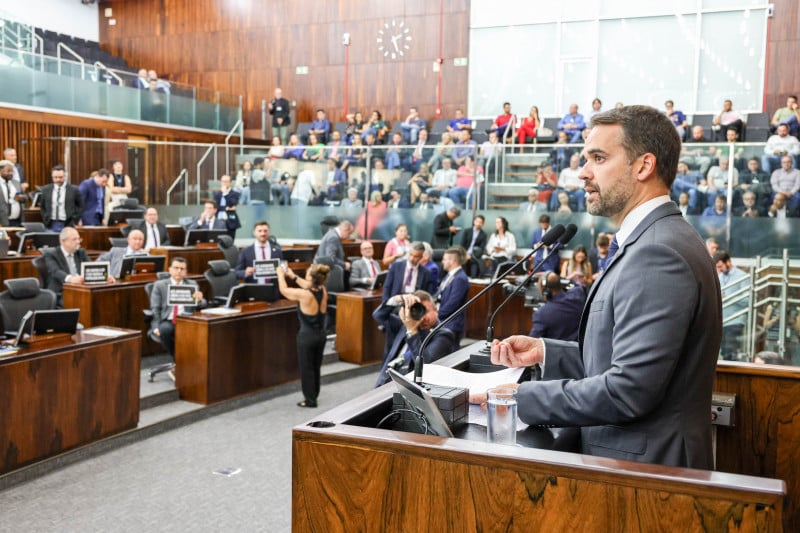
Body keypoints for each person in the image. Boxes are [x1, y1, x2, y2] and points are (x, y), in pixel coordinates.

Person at [477, 105, 722, 469]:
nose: (583, 172)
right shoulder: (654, 239)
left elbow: (629, 390)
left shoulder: (657, 253)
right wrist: (545, 352)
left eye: (599, 158)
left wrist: (520, 397)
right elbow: (628, 360)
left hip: (648, 474)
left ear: (643, 166)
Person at [276, 263, 329, 408]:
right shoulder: (323, 289)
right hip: (321, 335)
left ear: (311, 277)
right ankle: (314, 394)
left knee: (307, 369)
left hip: (307, 337)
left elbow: (284, 290)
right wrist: (293, 276)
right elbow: (308, 284)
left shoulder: (304, 294)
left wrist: (280, 275)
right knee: (316, 366)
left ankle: (310, 400)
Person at [150, 257, 205, 362]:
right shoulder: (160, 285)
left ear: (186, 271)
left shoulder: (192, 284)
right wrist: (156, 326)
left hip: (187, 319)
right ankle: (178, 359)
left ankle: (194, 360)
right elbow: (155, 308)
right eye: (176, 268)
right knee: (165, 330)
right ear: (170, 270)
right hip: (168, 319)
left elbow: (202, 304)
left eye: (182, 269)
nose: (179, 271)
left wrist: (199, 300)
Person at [44, 227, 114, 306]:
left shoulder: (81, 252)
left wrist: (105, 276)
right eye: (74, 239)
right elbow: (55, 271)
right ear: (63, 241)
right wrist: (71, 279)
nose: (78, 242)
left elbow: (91, 268)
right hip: (61, 292)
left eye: (79, 239)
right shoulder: (51, 254)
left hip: (81, 290)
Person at [529, 272, 586, 341]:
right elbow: (577, 285)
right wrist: (556, 277)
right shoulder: (578, 294)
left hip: (558, 348)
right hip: (582, 346)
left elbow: (533, 341)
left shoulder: (541, 314)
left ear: (546, 292)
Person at [714, 251, 749, 361]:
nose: (719, 269)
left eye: (720, 266)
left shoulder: (742, 276)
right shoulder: (720, 276)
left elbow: (748, 300)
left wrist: (728, 297)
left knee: (730, 352)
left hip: (735, 320)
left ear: (728, 262)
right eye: (717, 267)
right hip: (722, 321)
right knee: (723, 352)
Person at [435, 246, 470, 343]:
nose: (442, 262)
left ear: (452, 261)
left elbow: (453, 303)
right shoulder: (449, 275)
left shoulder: (460, 279)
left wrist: (437, 315)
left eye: (445, 259)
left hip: (451, 324)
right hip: (444, 321)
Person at [39, 164, 84, 232]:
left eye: (60, 177)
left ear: (65, 176)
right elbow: (42, 206)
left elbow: (81, 206)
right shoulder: (46, 190)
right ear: (52, 176)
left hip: (68, 223)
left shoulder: (73, 190)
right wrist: (45, 217)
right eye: (55, 177)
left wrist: (75, 219)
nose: (58, 179)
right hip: (50, 223)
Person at [459, 214, 488, 278]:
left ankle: (473, 278)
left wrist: (471, 256)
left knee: (474, 265)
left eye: (480, 222)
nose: (478, 224)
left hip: (475, 256)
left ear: (483, 224)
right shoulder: (467, 231)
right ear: (474, 221)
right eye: (477, 221)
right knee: (462, 262)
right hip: (464, 254)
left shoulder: (484, 235)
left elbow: (481, 248)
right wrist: (465, 254)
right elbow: (462, 244)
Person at [0, 159, 26, 226]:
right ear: (0, 171)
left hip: (18, 221)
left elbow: (25, 197)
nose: (11, 173)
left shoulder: (16, 183)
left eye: (12, 171)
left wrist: (20, 198)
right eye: (8, 171)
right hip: (2, 223)